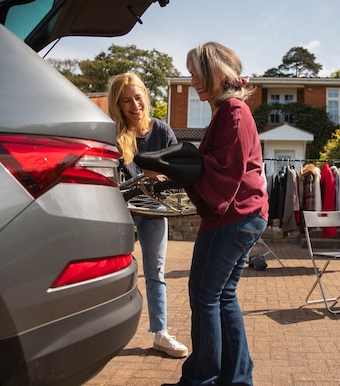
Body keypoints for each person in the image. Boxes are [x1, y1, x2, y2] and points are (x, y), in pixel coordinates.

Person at [165, 42, 269, 386]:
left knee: (204, 295)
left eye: (197, 73)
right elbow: (218, 164)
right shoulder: (230, 112)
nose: (192, 80)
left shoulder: (234, 113)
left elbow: (225, 168)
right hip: (246, 215)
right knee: (222, 296)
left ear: (215, 73)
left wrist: (180, 164)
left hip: (235, 217)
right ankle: (237, 379)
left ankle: (202, 379)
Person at [107, 72, 188, 359]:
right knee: (113, 271)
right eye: (126, 100)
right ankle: (105, 332)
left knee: (155, 272)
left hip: (154, 211)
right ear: (118, 104)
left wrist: (162, 174)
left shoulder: (162, 131)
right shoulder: (113, 135)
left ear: (146, 97)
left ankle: (160, 334)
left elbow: (179, 173)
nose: (134, 105)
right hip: (120, 212)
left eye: (138, 97)